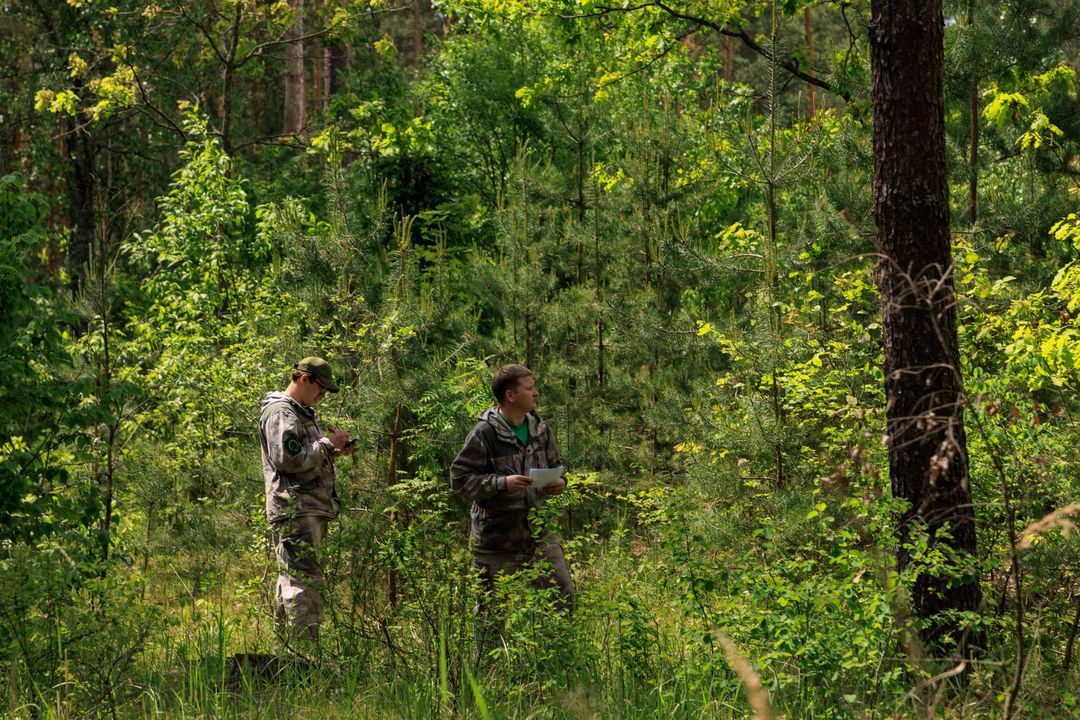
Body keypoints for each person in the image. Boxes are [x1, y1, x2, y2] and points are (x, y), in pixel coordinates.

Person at [450, 364, 574, 617]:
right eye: (530, 388)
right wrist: (501, 484)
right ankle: (487, 659)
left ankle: (557, 656)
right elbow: (460, 480)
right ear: (510, 395)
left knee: (562, 597)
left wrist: (561, 482)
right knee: (491, 615)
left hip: (537, 532)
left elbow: (557, 468)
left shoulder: (540, 430)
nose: (536, 393)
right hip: (496, 539)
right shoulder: (484, 434)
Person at [258, 356, 353, 642]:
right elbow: (288, 460)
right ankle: (303, 654)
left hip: (305, 508)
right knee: (303, 582)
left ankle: (288, 653)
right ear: (303, 379)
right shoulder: (281, 412)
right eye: (320, 389)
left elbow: (303, 456)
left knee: (294, 579)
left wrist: (332, 451)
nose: (321, 396)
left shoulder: (299, 412)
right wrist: (326, 444)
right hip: (295, 508)